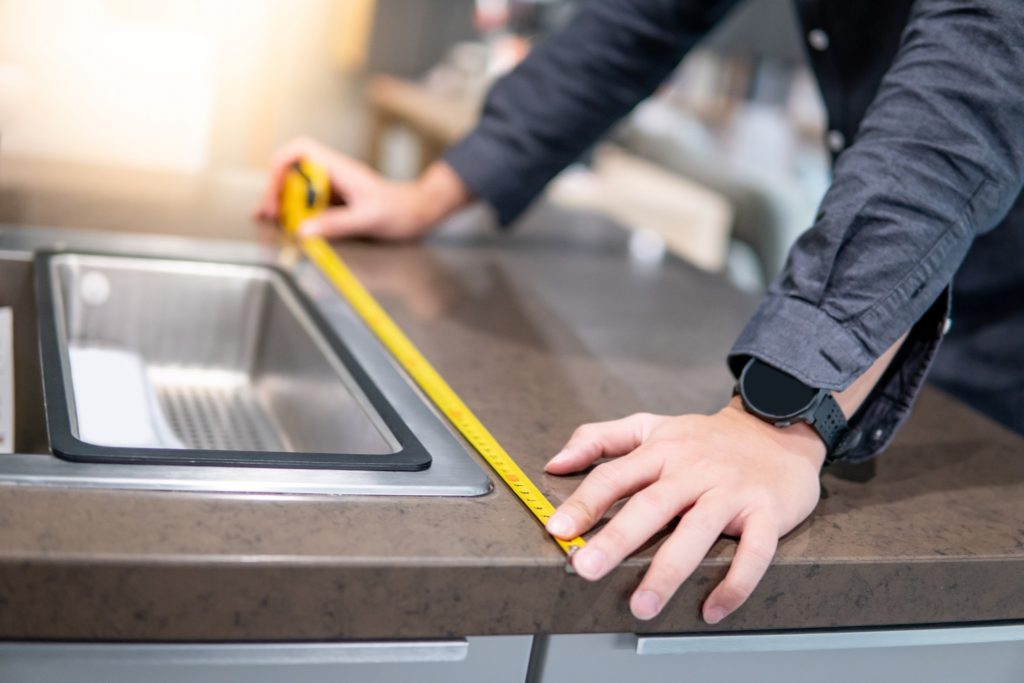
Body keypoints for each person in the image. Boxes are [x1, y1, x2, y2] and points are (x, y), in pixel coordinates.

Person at [255, 0, 1024, 624]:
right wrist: (434, 193)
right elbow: (637, 19)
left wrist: (779, 415)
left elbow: (977, 74)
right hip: (907, 303)